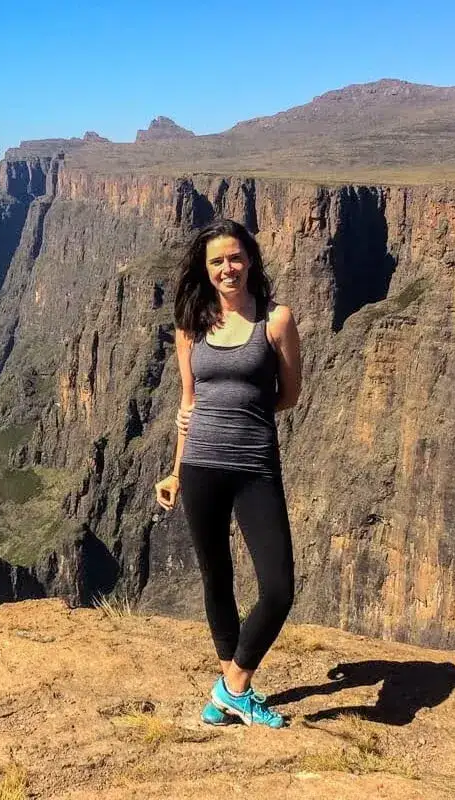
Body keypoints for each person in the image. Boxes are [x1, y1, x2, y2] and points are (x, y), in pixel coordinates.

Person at [154, 218, 302, 728]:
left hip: (255, 465)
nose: (227, 268)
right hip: (200, 466)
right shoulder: (192, 323)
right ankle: (234, 691)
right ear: (205, 268)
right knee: (217, 577)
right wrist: (174, 472)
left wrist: (246, 415)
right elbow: (187, 404)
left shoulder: (276, 320)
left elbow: (289, 394)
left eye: (235, 258)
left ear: (251, 259)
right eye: (216, 261)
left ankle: (230, 688)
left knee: (278, 586)